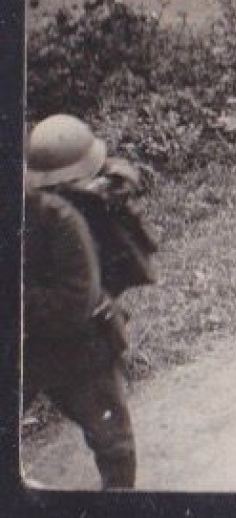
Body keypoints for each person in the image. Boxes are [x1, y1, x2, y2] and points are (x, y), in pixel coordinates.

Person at [23, 115, 143, 487]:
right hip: (45, 338)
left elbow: (126, 170)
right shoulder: (43, 216)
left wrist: (119, 179)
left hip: (83, 341)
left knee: (114, 442)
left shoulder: (91, 195)